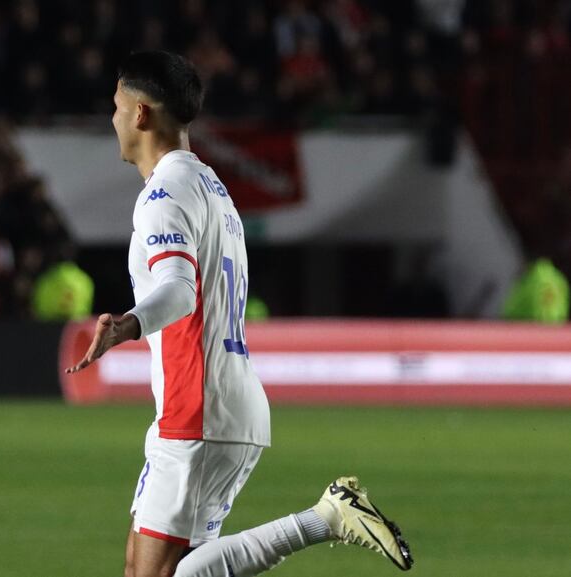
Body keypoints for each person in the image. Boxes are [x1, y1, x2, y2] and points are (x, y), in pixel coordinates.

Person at [65, 51, 413, 577]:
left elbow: (181, 290)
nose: (111, 118)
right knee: (151, 569)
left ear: (140, 113)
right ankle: (328, 517)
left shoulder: (165, 192)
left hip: (199, 407)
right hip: (212, 404)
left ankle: (327, 518)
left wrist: (128, 324)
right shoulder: (213, 187)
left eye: (116, 105)